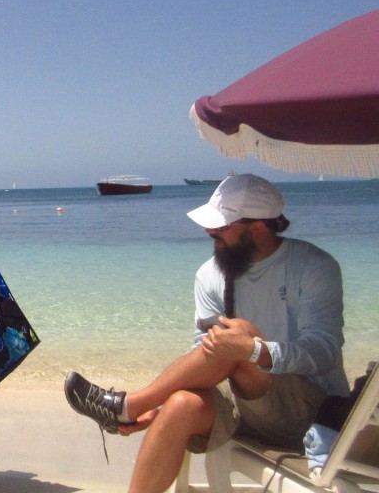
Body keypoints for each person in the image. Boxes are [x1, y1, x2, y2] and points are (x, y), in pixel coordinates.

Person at [64, 174, 349, 493]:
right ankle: (138, 411)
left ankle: (130, 405)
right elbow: (204, 356)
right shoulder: (210, 274)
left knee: (240, 335)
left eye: (222, 225)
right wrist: (162, 403)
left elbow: (324, 352)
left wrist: (255, 351)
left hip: (307, 409)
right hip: (244, 406)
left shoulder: (314, 266)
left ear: (257, 227)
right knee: (181, 403)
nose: (209, 231)